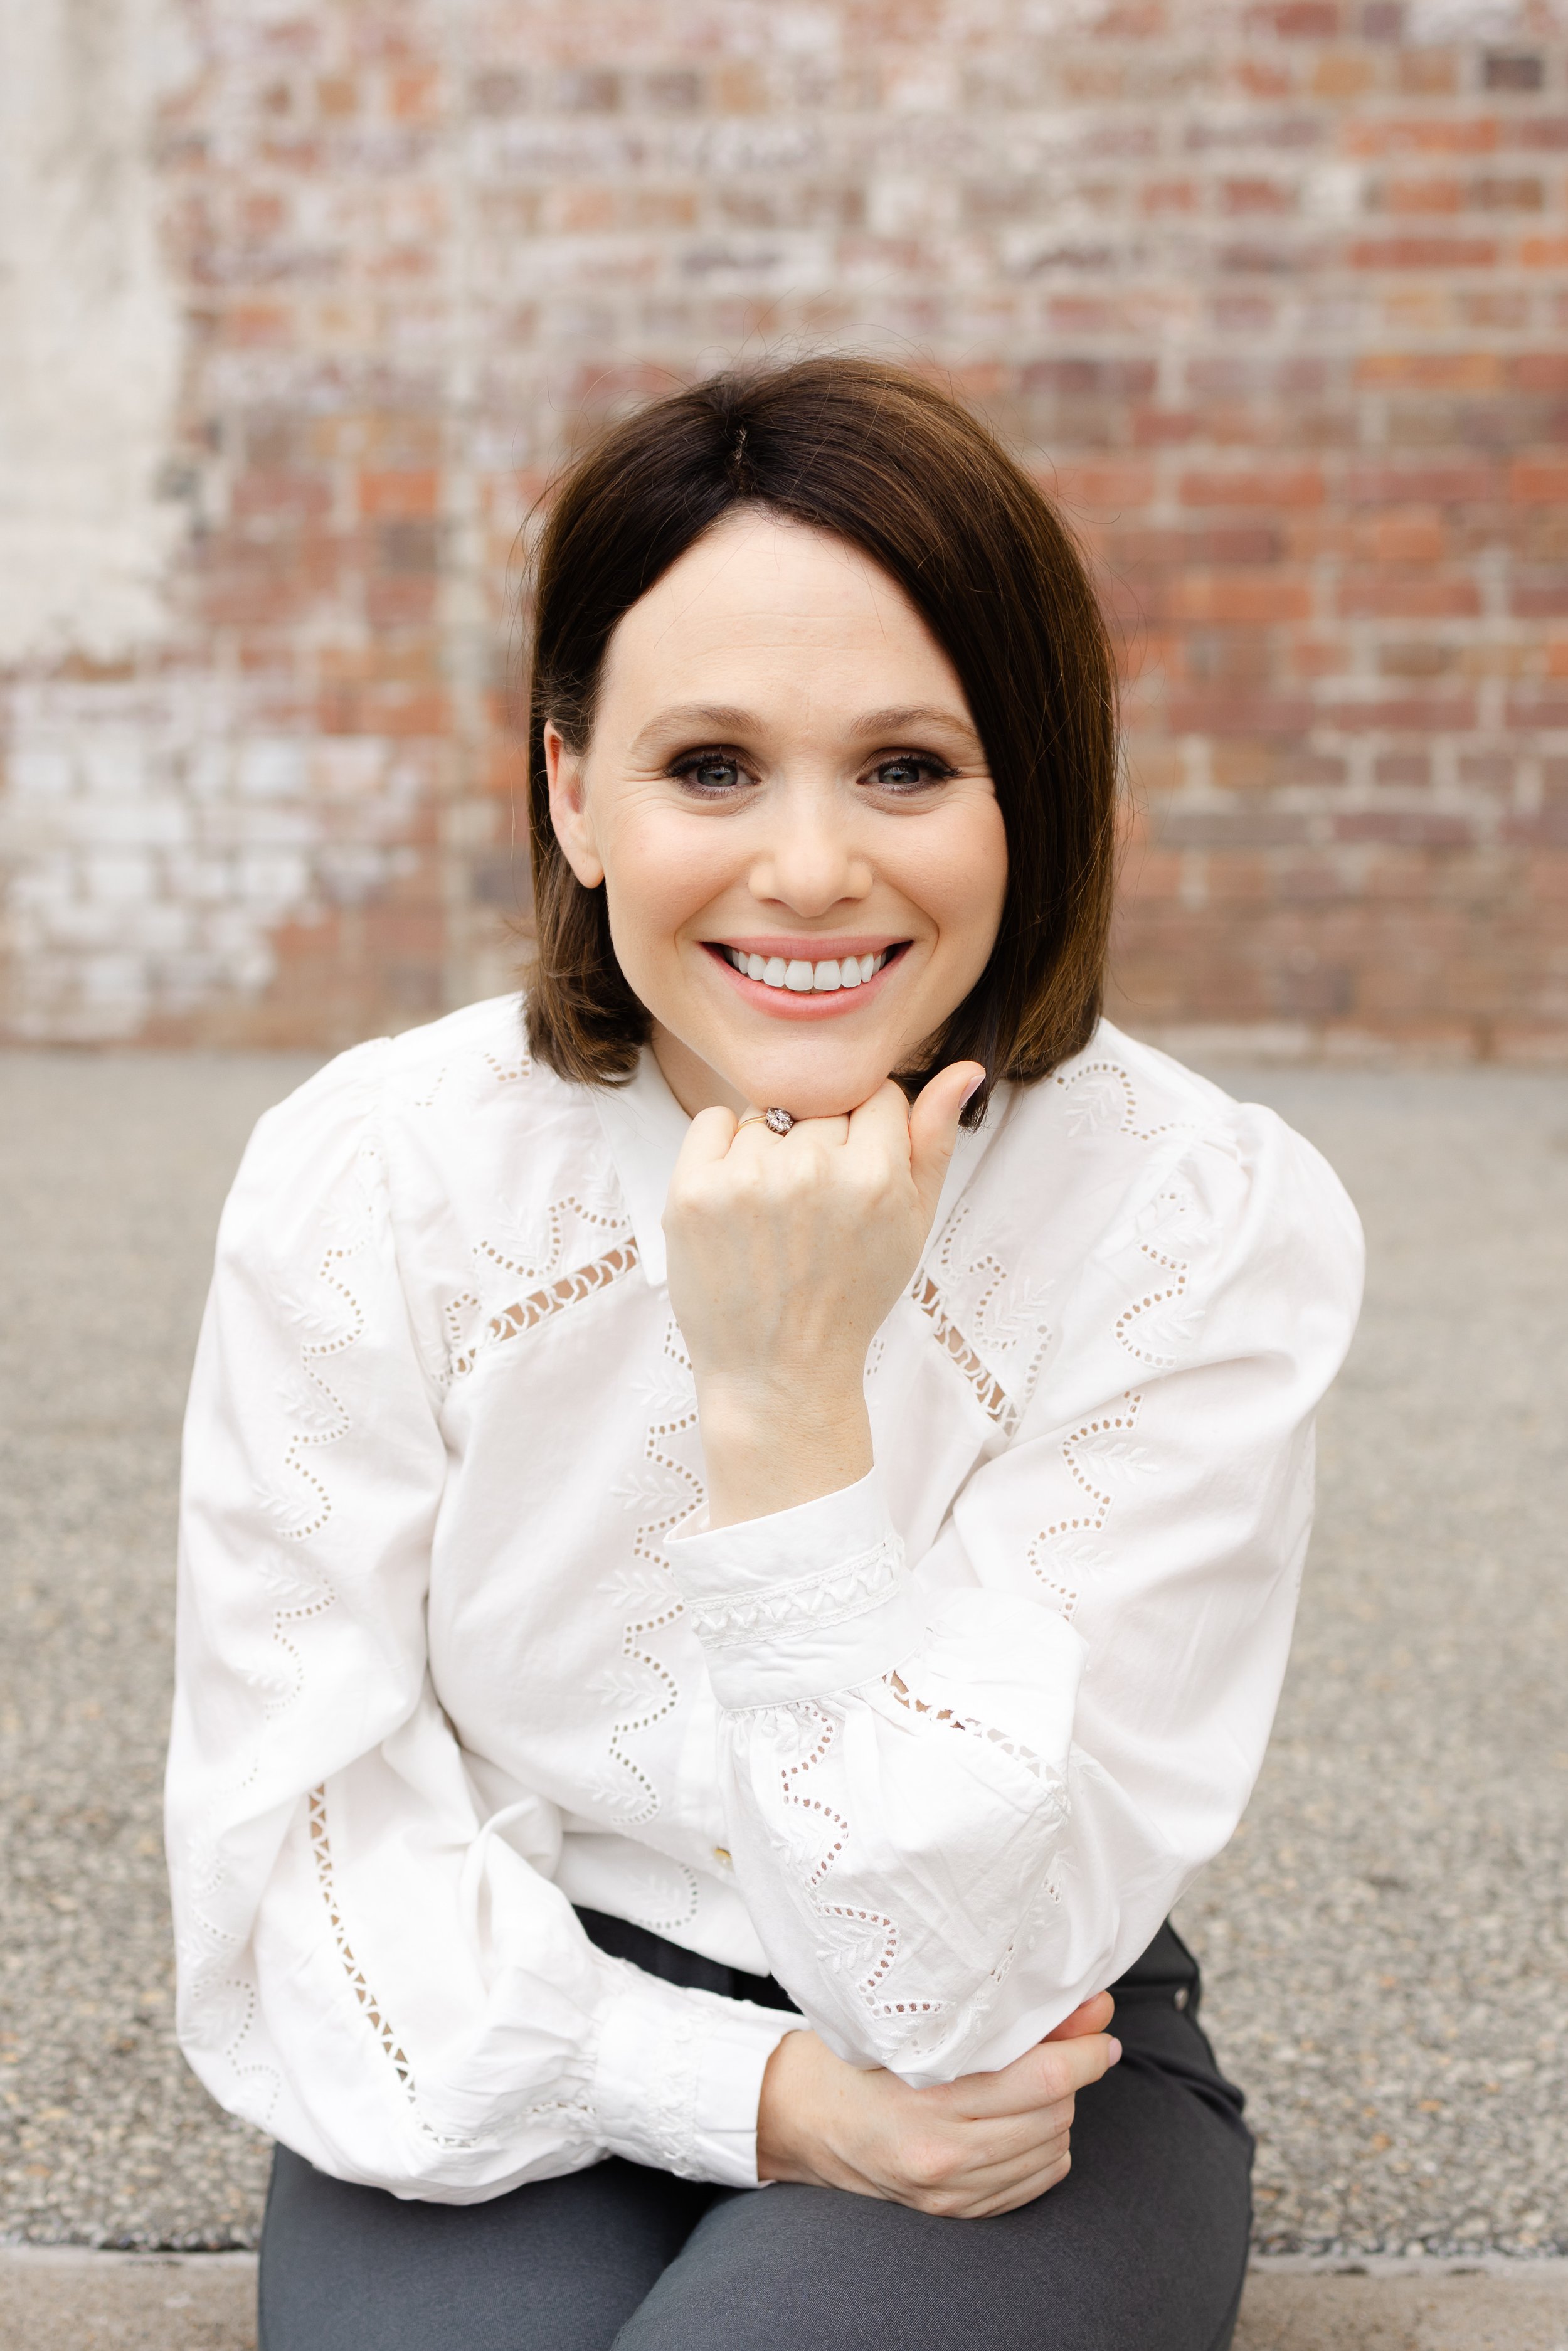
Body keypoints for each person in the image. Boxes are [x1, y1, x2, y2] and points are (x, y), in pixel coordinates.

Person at [166, 359, 1363, 2351]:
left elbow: (948, 1980)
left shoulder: (1193, 1218)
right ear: (572, 789)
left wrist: (786, 1409)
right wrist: (755, 2102)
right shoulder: (369, 1175)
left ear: (1028, 790)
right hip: (485, 2022)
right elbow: (302, 1824)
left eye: (904, 766)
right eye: (709, 766)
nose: (808, 869)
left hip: (1011, 2067)